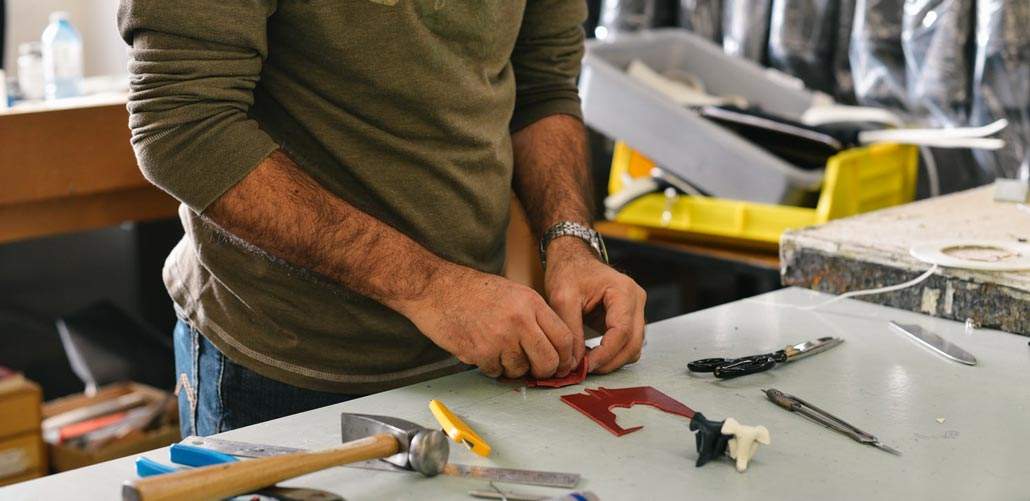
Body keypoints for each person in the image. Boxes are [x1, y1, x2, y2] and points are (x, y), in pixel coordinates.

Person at [118, 0, 646, 437]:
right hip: (284, 363)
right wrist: (431, 288)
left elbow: (543, 87)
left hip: (473, 349)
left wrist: (571, 244)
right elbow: (185, 128)